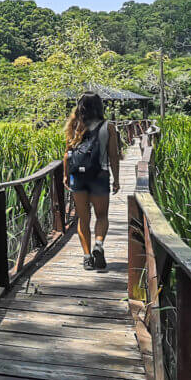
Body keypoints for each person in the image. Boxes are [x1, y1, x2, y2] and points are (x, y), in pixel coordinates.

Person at [62, 92, 120, 270]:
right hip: (100, 175)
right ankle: (99, 245)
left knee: (83, 218)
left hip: (78, 178)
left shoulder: (74, 125)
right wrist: (116, 179)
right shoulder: (108, 126)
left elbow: (67, 154)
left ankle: (87, 257)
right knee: (102, 216)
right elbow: (113, 156)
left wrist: (66, 176)